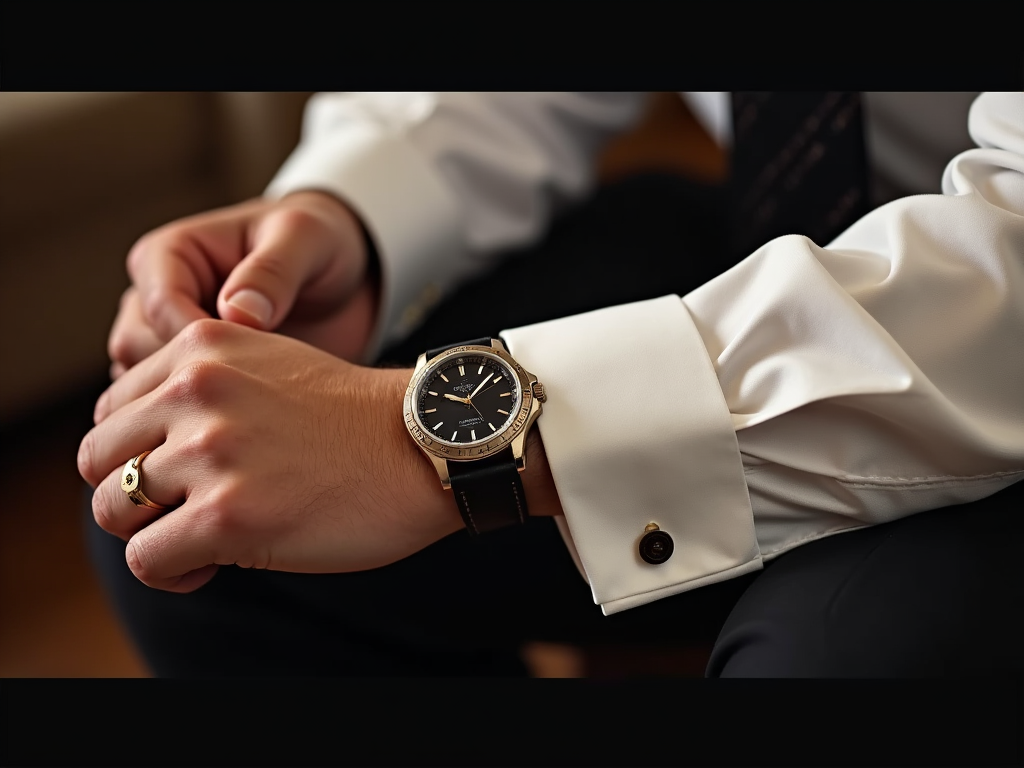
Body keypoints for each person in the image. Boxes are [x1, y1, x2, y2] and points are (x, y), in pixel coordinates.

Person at [79, 92, 1024, 676]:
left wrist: (414, 444)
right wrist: (350, 215)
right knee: (182, 506)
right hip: (773, 233)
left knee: (831, 660)